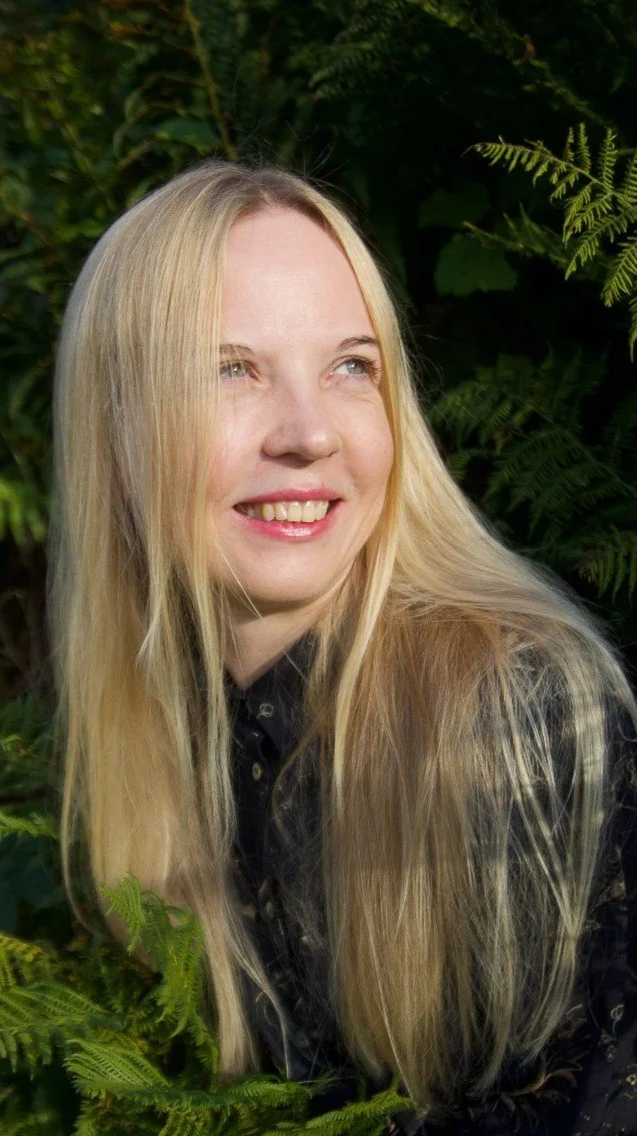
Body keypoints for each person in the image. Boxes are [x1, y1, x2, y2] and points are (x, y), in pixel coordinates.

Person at [48, 161, 637, 1134]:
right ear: (113, 434)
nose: (308, 432)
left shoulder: (519, 713)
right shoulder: (171, 729)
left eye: (349, 365)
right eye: (228, 368)